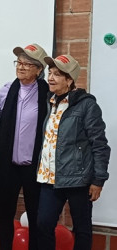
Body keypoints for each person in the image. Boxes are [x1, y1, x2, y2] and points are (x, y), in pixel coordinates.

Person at [36, 55, 110, 250]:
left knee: (82, 229)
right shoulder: (49, 102)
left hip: (79, 178)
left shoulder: (87, 106)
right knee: (43, 223)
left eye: (57, 74)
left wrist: (98, 180)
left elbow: (100, 145)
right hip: (49, 177)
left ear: (69, 80)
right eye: (50, 73)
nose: (51, 78)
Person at [0, 43, 49, 250]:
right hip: (8, 165)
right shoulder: (7, 90)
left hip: (34, 166)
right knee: (4, 214)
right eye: (19, 62)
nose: (21, 67)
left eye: (28, 64)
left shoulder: (46, 93)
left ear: (39, 69)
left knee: (36, 216)